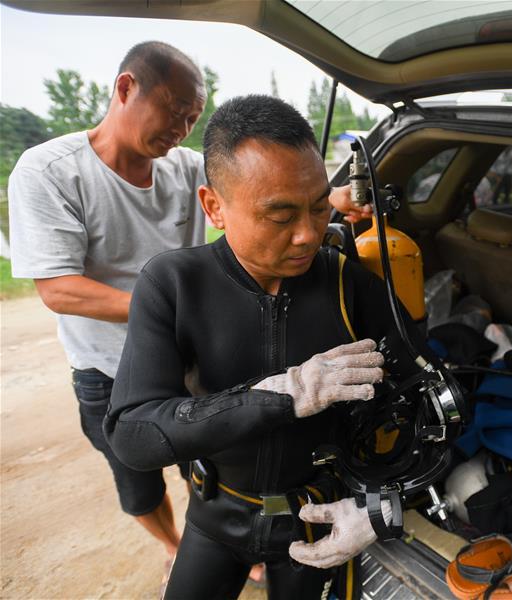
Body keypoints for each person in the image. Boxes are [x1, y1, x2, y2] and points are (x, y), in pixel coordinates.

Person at [7, 41, 366, 583]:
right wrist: (169, 310)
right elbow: (59, 290)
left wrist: (327, 201)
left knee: (209, 454)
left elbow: (261, 187)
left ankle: (228, 535)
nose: (182, 128)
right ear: (126, 88)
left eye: (192, 117)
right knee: (140, 477)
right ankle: (173, 544)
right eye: (174, 110)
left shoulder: (183, 167)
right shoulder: (51, 172)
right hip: (109, 365)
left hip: (197, 357)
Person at [105, 94, 415, 599]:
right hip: (216, 514)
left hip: (318, 516)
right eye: (280, 216)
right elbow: (133, 433)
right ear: (214, 206)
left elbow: (433, 401)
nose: (307, 235)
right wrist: (282, 395)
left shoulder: (346, 282)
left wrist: (383, 505)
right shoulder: (175, 284)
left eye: (319, 207)